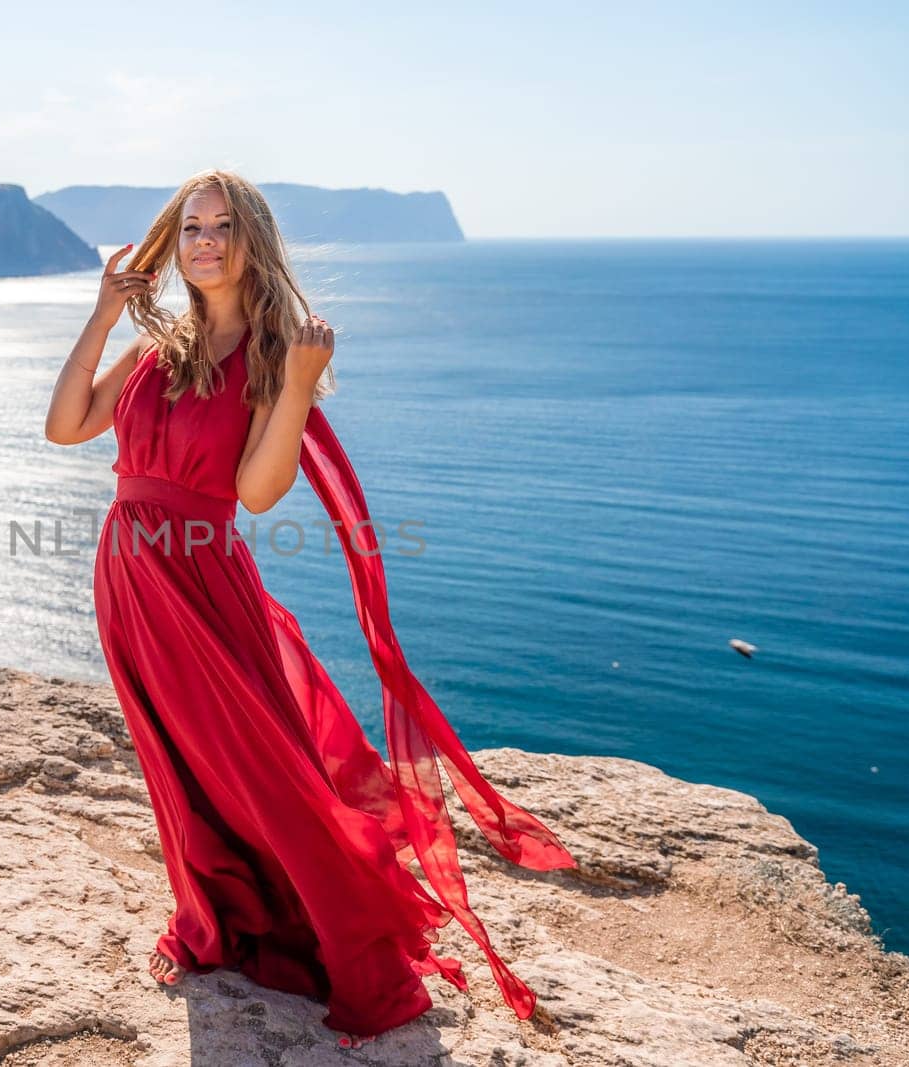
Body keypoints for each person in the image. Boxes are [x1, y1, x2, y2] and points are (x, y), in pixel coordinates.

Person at [44, 170, 578, 1049]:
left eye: (220, 227)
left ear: (252, 241)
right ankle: (219, 913)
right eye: (190, 229)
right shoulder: (154, 348)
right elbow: (66, 427)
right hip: (129, 578)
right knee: (178, 764)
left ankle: (333, 926)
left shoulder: (271, 354)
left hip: (205, 584)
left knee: (262, 768)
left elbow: (255, 493)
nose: (203, 242)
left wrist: (297, 380)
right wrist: (105, 314)